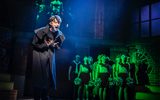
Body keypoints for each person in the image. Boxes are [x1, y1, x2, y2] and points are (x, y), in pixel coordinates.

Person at [31, 15, 65, 100]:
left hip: (50, 57)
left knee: (49, 76)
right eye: (56, 22)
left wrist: (55, 46)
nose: (58, 24)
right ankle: (37, 96)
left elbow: (59, 45)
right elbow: (34, 44)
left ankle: (45, 95)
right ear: (50, 22)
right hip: (40, 56)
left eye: (59, 23)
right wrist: (46, 45)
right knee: (39, 77)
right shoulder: (40, 31)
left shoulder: (59, 34)